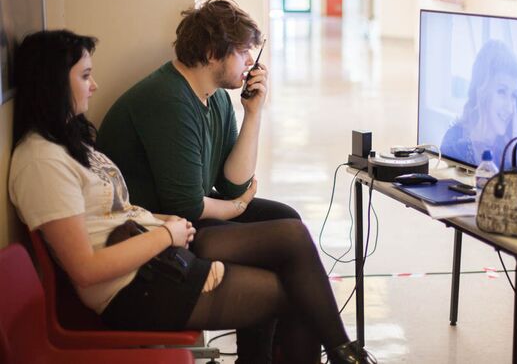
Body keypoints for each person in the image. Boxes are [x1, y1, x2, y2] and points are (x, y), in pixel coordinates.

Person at [8, 30, 375, 364]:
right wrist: (166, 234)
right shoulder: (42, 161)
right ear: (53, 83)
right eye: (85, 76)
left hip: (154, 261)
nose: (95, 85)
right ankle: (344, 353)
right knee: (296, 293)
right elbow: (86, 270)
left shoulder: (68, 144)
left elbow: (120, 212)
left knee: (289, 248)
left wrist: (164, 226)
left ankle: (341, 353)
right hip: (134, 289)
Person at [96, 0, 298, 230]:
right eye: (243, 52)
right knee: (288, 234)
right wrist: (239, 206)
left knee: (286, 217)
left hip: (189, 217)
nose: (251, 61)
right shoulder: (169, 100)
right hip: (153, 227)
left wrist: (253, 113)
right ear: (212, 53)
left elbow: (232, 185)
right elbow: (187, 207)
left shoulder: (216, 96)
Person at [441, 39, 517, 167]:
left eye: (514, 95)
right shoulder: (453, 142)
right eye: (502, 92)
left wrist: (513, 153)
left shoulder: (507, 148)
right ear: (481, 91)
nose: (509, 108)